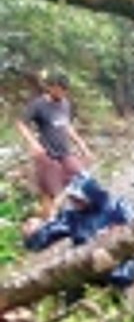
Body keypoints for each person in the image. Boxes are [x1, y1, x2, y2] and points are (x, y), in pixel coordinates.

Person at [23, 172, 134, 292]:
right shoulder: (72, 216)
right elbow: (49, 234)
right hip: (85, 265)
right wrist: (33, 236)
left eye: (79, 199)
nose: (76, 203)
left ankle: (115, 290)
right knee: (73, 284)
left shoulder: (117, 206)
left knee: (117, 278)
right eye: (73, 199)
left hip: (116, 262)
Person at [16, 71, 93, 218]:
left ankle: (85, 217)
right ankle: (47, 226)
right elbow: (21, 124)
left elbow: (67, 126)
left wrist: (83, 146)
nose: (62, 94)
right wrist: (33, 144)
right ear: (51, 88)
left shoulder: (65, 103)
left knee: (82, 180)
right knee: (50, 193)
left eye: (65, 90)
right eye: (59, 90)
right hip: (47, 155)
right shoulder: (39, 104)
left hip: (65, 153)